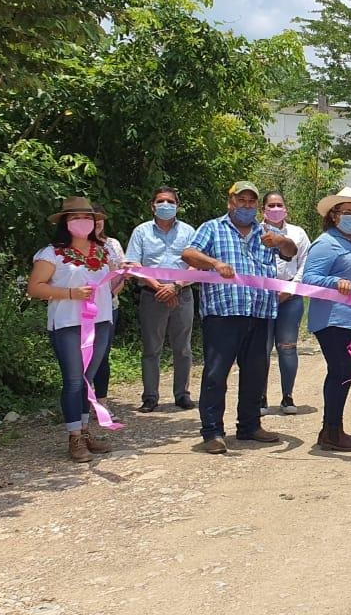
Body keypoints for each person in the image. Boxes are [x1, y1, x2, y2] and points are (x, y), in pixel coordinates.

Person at [182, 180, 297, 455]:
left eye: (250, 202)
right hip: (223, 312)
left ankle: (249, 425)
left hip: (260, 311)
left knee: (256, 372)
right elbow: (188, 253)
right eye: (241, 200)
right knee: (215, 373)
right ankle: (212, 431)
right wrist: (214, 263)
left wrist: (280, 240)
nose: (246, 206)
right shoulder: (213, 227)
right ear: (230, 202)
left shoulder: (266, 232)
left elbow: (291, 251)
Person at [26, 197, 122, 462]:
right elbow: (35, 287)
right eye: (75, 218)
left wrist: (122, 274)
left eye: (88, 218)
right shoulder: (51, 253)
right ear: (65, 222)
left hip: (100, 321)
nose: (83, 222)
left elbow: (114, 283)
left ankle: (85, 431)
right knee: (73, 380)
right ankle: (74, 437)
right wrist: (70, 292)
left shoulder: (103, 251)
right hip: (68, 324)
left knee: (88, 380)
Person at [301, 187, 351, 451]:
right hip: (334, 320)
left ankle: (331, 430)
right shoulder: (326, 244)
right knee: (341, 372)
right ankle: (332, 431)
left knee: (345, 373)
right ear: (334, 215)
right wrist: (334, 281)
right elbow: (309, 279)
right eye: (347, 212)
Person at [125, 186, 197, 412]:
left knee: (183, 347)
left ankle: (182, 394)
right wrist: (158, 286)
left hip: (182, 294)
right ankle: (150, 396)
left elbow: (197, 264)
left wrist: (175, 286)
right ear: (152, 205)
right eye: (161, 201)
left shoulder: (188, 231)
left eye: (170, 201)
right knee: (151, 348)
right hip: (151, 294)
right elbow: (132, 265)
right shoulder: (141, 232)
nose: (165, 205)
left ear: (177, 205)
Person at [259, 191, 311, 416]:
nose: (275, 208)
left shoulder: (298, 233)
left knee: (287, 347)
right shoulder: (253, 232)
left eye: (279, 205)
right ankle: (260, 397)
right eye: (271, 205)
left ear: (286, 209)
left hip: (291, 296)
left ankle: (287, 396)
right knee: (261, 349)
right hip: (261, 296)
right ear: (263, 210)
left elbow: (305, 264)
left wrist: (290, 289)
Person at [91, 210, 128, 408]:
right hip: (80, 310)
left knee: (102, 355)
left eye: (101, 219)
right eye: (92, 219)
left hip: (108, 307)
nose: (97, 222)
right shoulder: (74, 246)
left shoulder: (112, 244)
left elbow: (122, 273)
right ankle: (81, 402)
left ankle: (101, 402)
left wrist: (112, 292)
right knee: (82, 355)